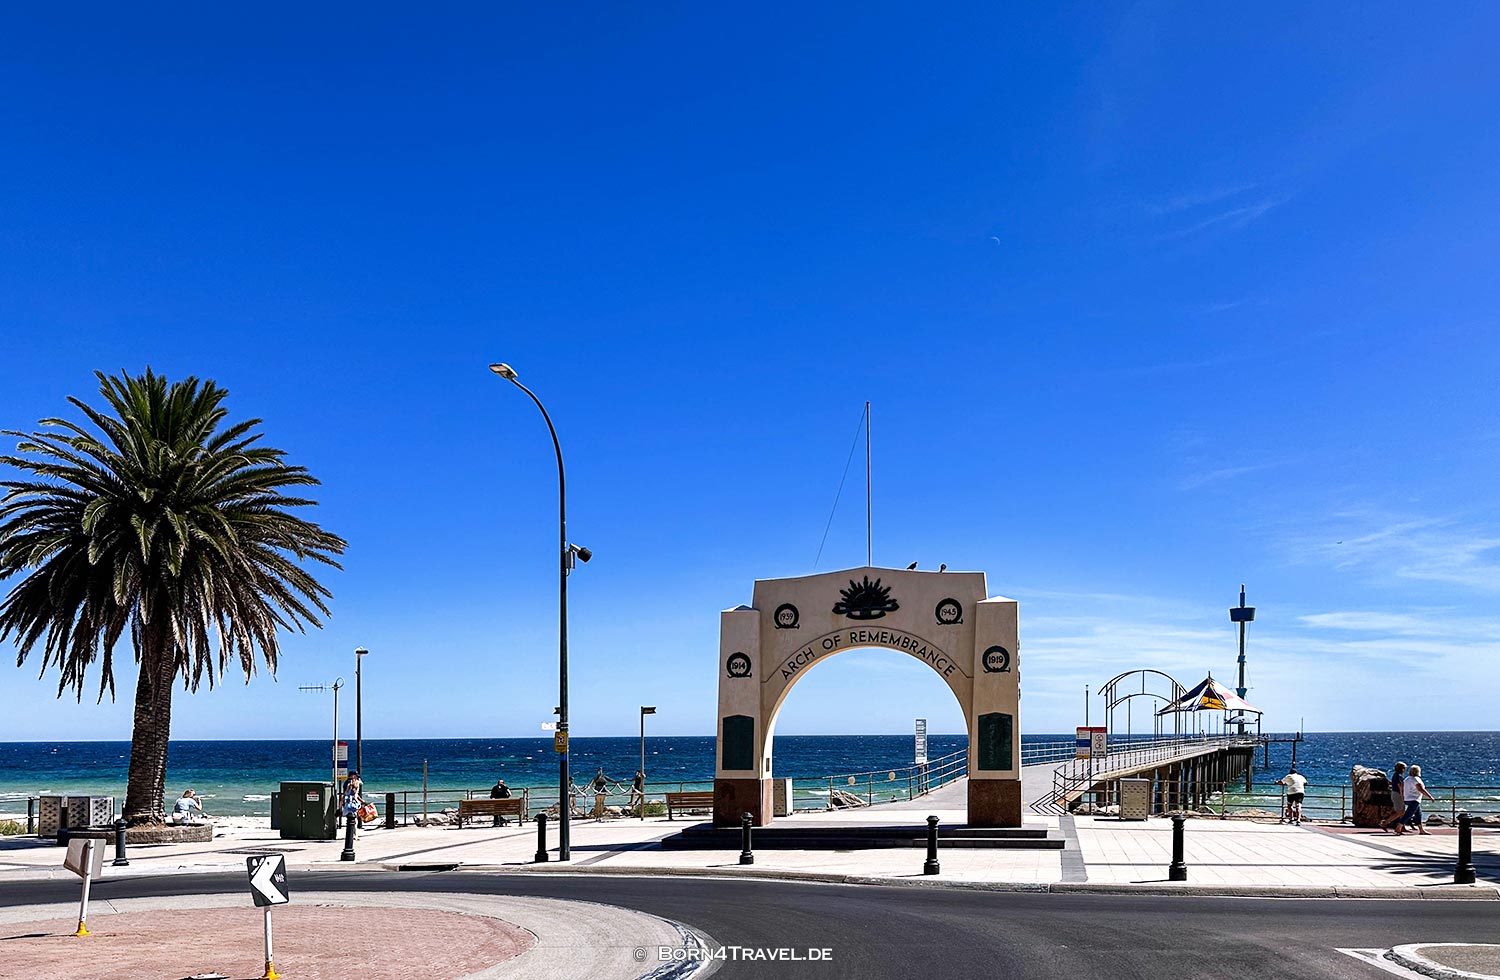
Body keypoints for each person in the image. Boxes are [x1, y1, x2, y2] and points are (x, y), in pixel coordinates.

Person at [1403, 763, 1435, 836]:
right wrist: (1430, 797)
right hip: (1414, 799)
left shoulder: (1407, 779)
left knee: (1418, 814)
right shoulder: (1416, 779)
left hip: (1407, 798)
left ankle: (1421, 830)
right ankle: (1398, 827)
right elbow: (1421, 789)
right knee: (1408, 814)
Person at [1382, 762, 1408, 835]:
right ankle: (1385, 823)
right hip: (1397, 794)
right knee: (1400, 812)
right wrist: (1402, 796)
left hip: (1395, 793)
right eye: (1404, 769)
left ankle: (1402, 826)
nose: (1404, 770)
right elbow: (1400, 787)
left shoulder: (1395, 775)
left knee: (1402, 811)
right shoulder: (1398, 776)